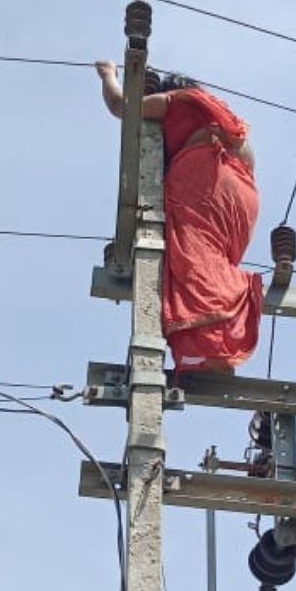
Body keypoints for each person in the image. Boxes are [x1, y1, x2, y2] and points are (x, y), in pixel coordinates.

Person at [96, 60, 262, 373]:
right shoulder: (224, 117)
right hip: (243, 196)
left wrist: (108, 75)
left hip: (202, 179)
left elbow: (122, 107)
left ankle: (211, 348)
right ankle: (215, 341)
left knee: (189, 260)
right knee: (212, 260)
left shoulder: (174, 103)